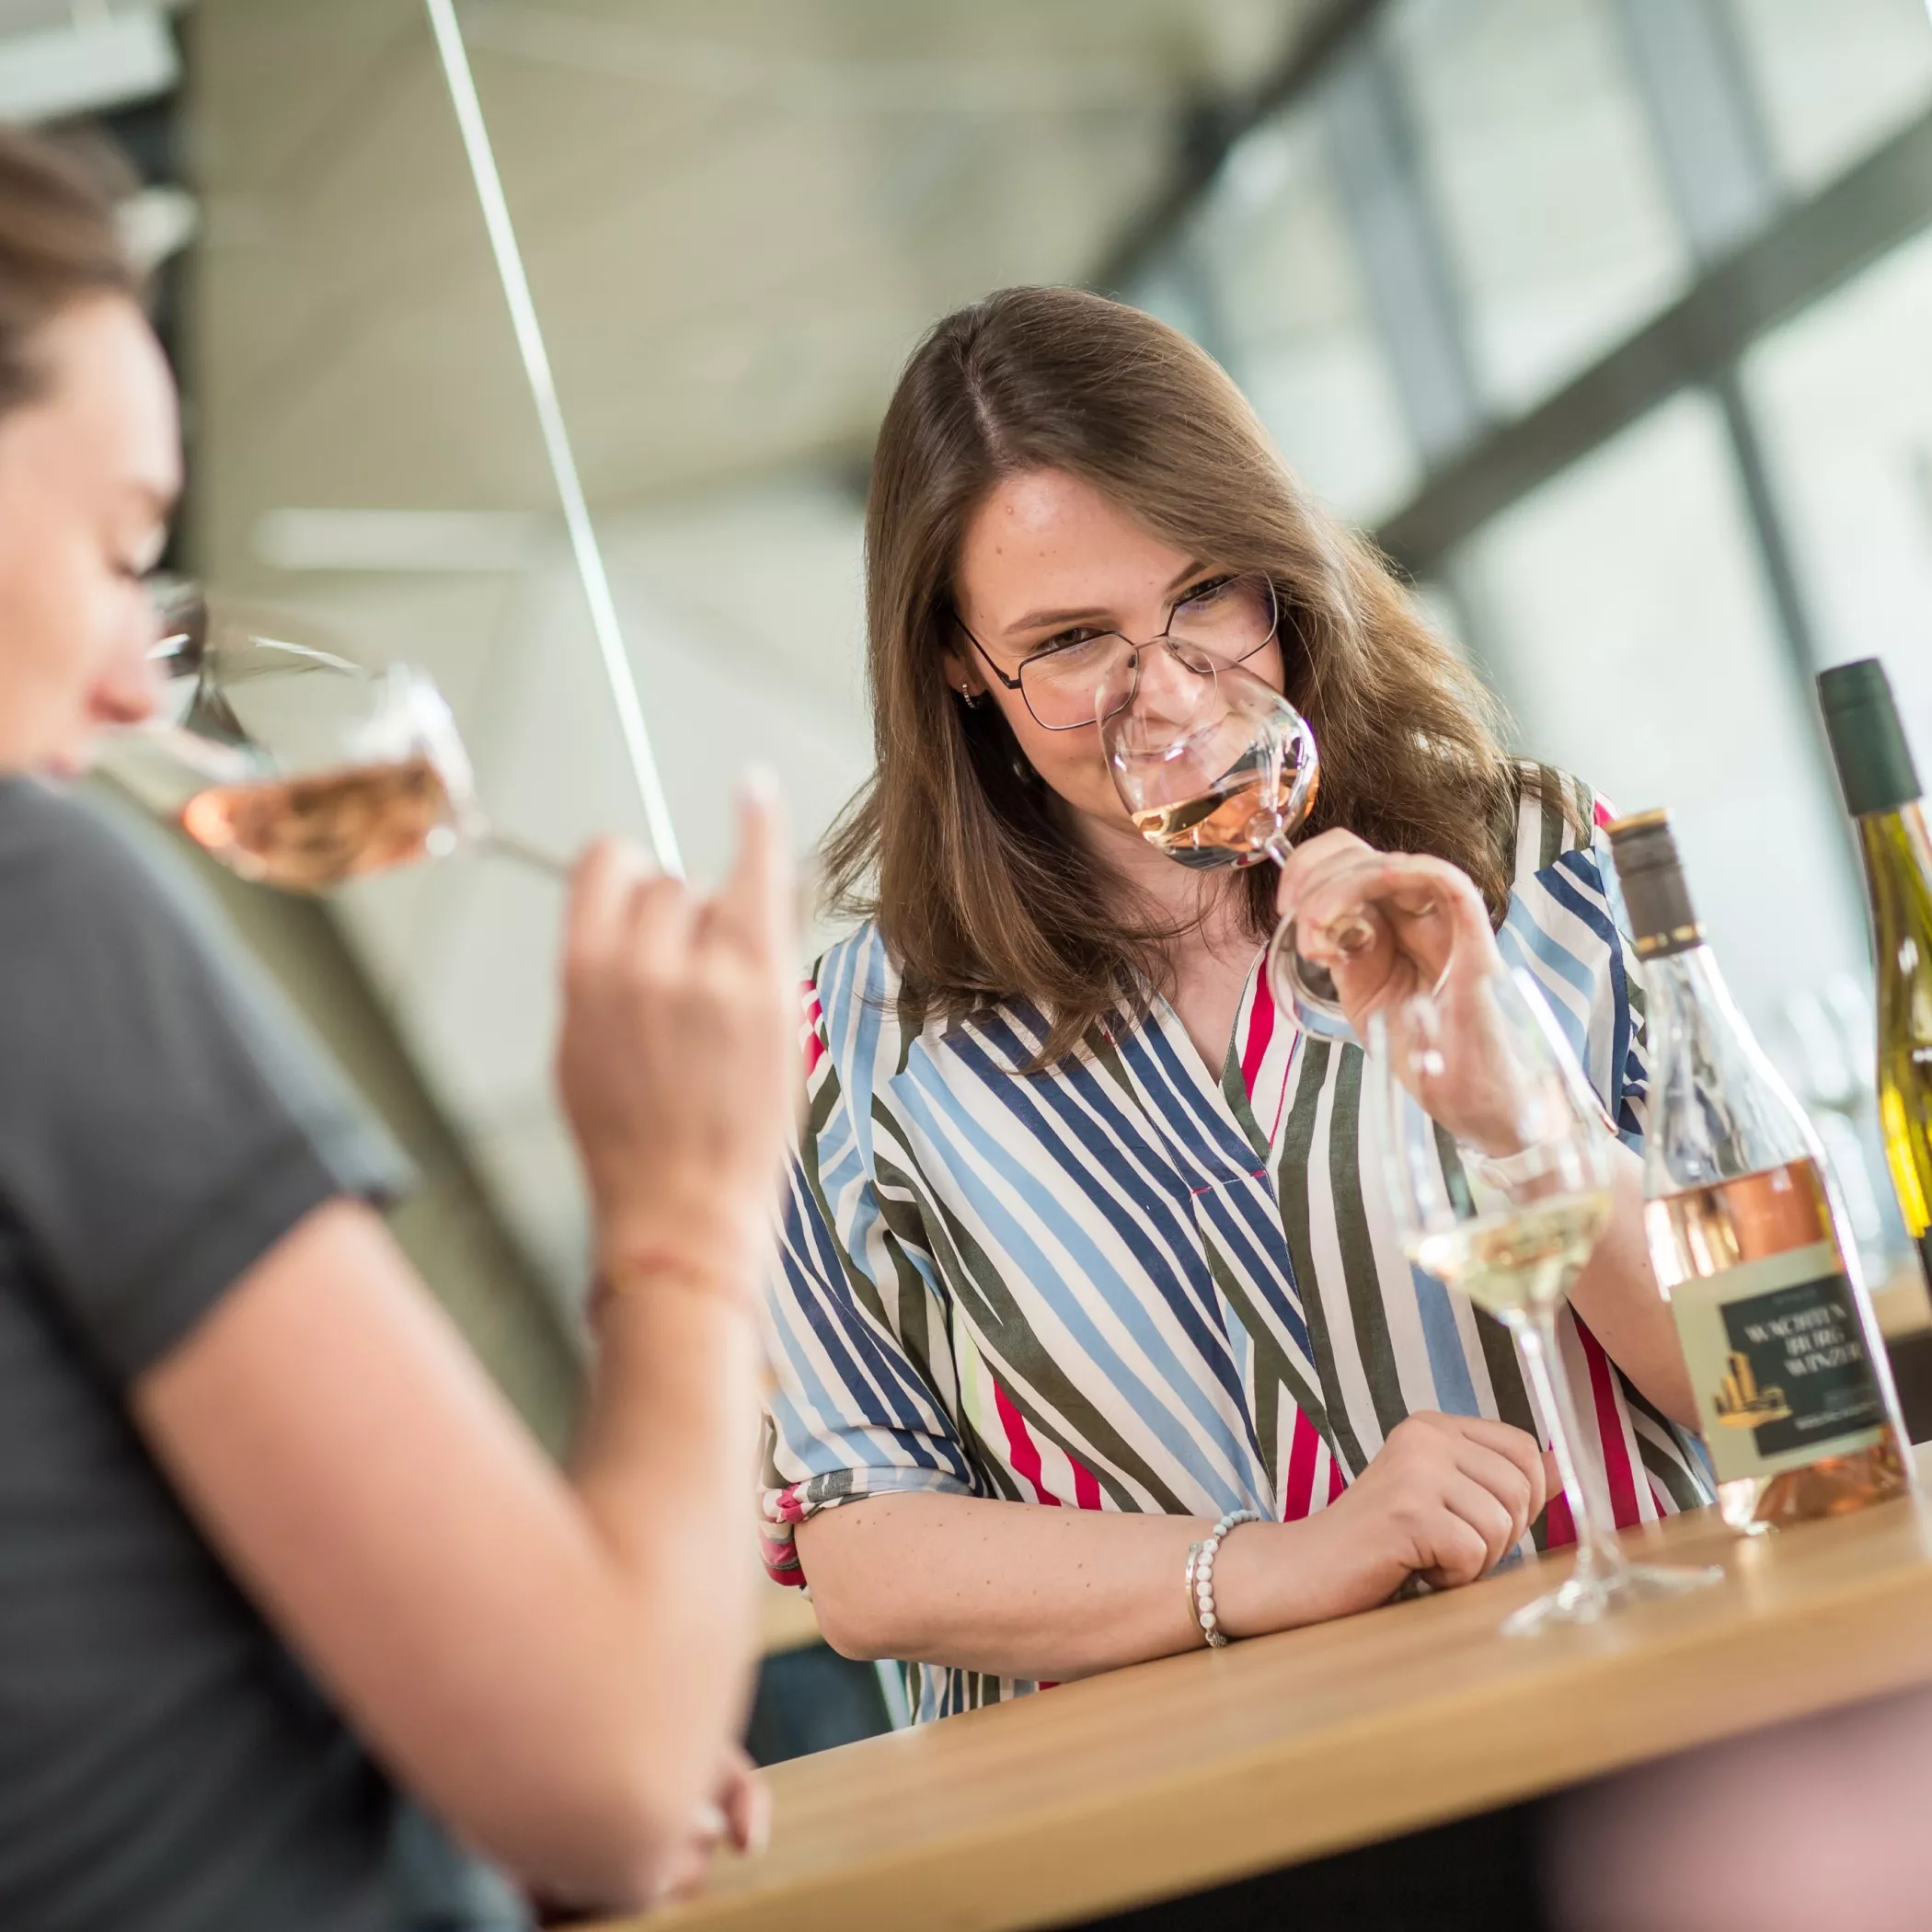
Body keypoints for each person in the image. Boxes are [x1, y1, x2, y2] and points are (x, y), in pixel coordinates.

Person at [0, 126, 796, 1930]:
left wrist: (457, 1730)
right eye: (121, 539)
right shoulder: (33, 903)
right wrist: (689, 1218)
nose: (139, 673)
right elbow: (607, 1775)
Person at [759, 285, 1713, 1725]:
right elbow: (862, 1551)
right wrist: (1272, 1568)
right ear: (959, 663)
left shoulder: (1535, 863)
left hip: (1628, 1731)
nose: (1179, 700)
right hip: (1179, 1826)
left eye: (1210, 593)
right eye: (1075, 642)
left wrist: (1518, 1113)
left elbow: (1766, 1366)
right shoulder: (855, 1045)